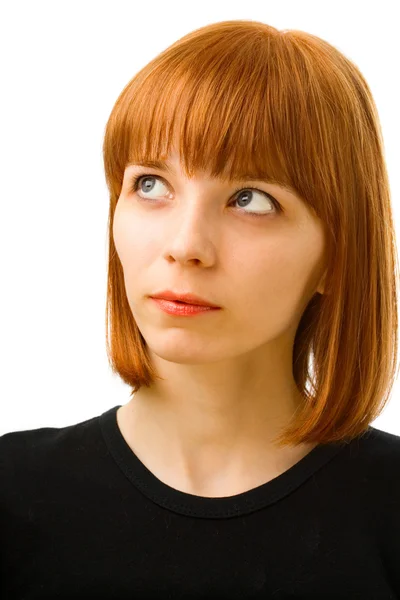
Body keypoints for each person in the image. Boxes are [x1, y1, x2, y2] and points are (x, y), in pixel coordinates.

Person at [1, 19, 400, 599]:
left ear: (338, 256)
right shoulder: (13, 495)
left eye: (251, 199)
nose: (184, 245)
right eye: (150, 185)